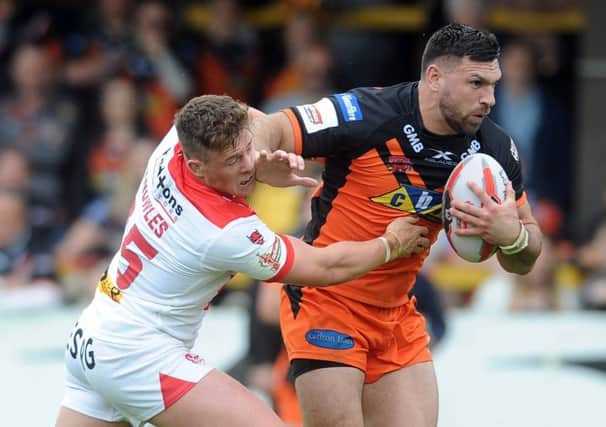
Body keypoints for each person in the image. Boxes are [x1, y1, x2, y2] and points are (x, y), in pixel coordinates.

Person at [54, 94, 431, 427]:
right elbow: (324, 267)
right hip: (141, 355)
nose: (249, 164)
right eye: (234, 160)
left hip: (94, 335)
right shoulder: (224, 230)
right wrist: (389, 244)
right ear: (198, 166)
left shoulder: (176, 141)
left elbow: (244, 114)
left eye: (248, 149)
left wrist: (261, 156)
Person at [250, 23, 543, 427]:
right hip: (327, 299)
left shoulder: (493, 149)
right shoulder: (366, 114)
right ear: (435, 78)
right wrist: (260, 153)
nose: (490, 99)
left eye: (494, 85)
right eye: (476, 83)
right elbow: (272, 124)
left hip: (396, 313)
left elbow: (528, 255)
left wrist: (513, 237)